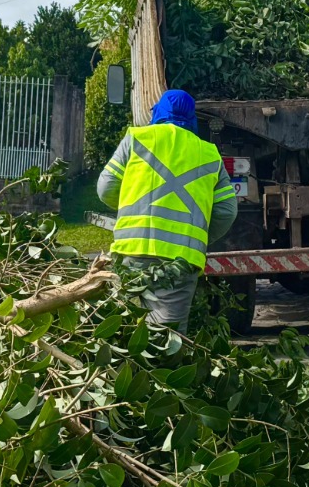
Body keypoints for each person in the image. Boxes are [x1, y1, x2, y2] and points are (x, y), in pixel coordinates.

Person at [97, 89, 238, 330]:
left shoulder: (136, 139)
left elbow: (106, 188)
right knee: (167, 340)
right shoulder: (210, 154)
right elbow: (226, 211)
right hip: (180, 262)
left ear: (158, 113)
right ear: (193, 119)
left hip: (132, 251)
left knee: (125, 331)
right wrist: (196, 237)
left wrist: (131, 210)